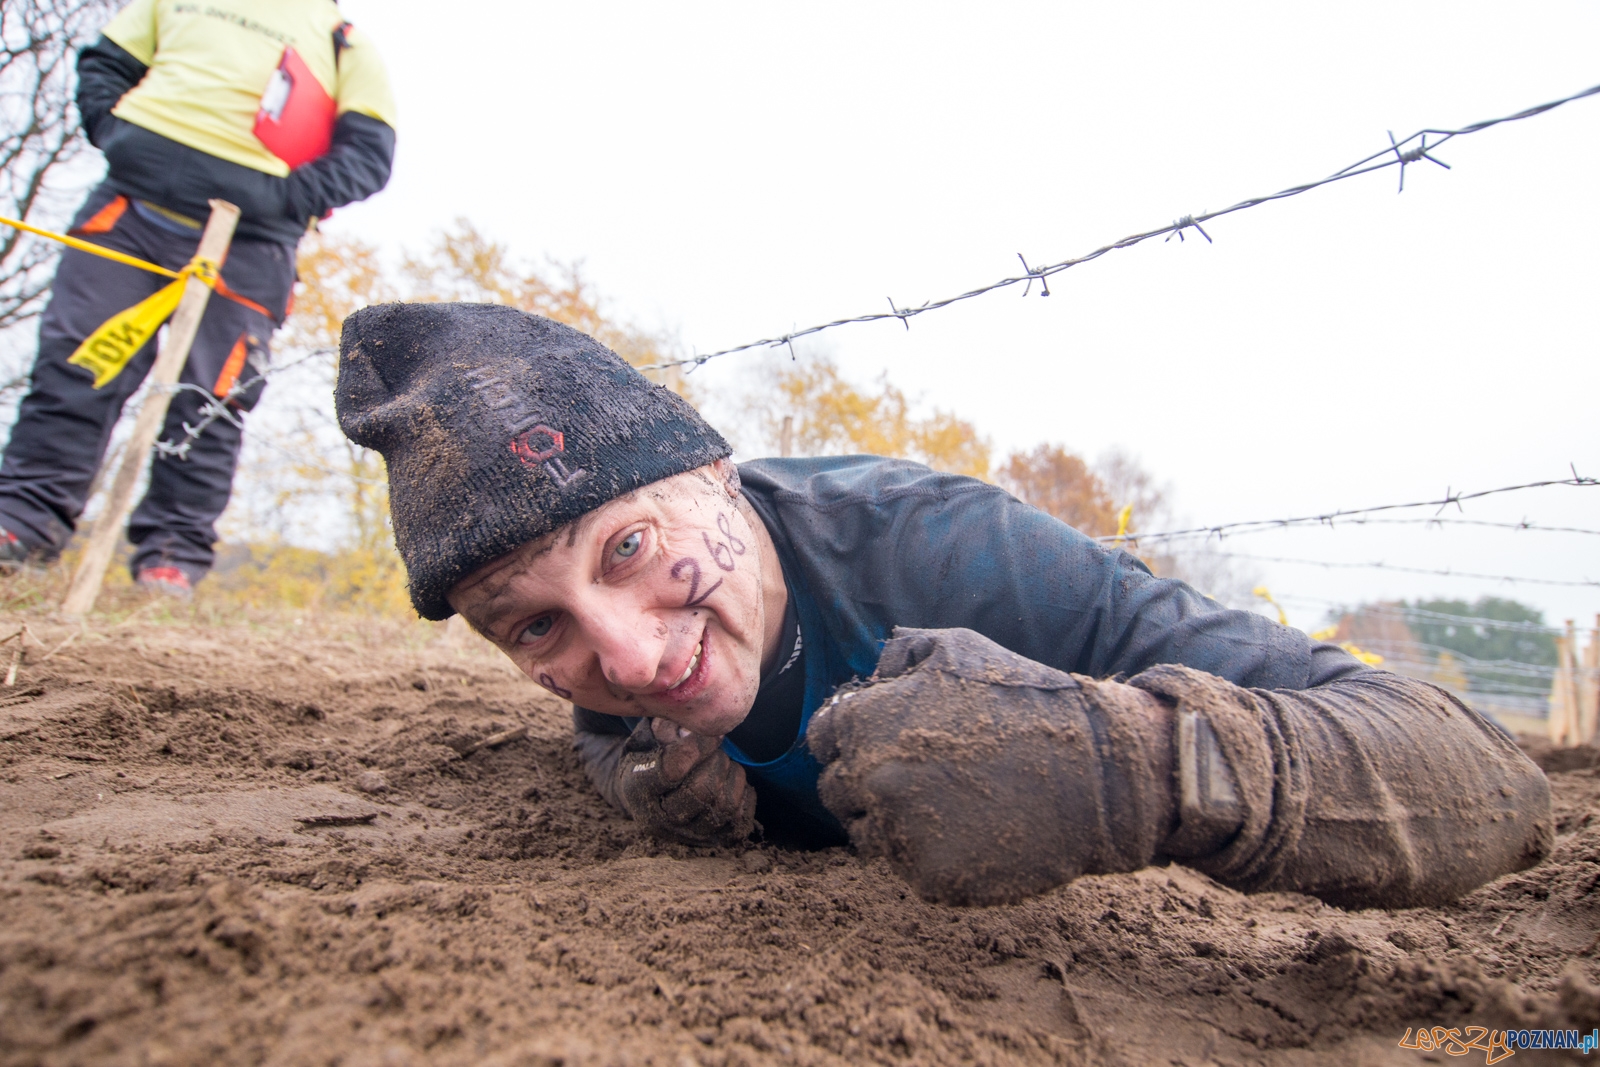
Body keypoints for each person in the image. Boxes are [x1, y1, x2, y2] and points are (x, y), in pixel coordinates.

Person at [335, 302, 1552, 909]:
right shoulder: (608, 682)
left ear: (717, 468)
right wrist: (635, 778)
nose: (636, 657)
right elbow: (603, 717)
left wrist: (1138, 769)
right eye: (534, 626)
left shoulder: (955, 553)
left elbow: (1487, 777)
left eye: (630, 547)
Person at [0, 0, 396, 595]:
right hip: (127, 212)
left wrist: (283, 197)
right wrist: (121, 137)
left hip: (250, 246)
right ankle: (19, 526)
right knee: (75, 367)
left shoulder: (344, 42)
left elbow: (370, 154)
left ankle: (170, 558)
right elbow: (104, 64)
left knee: (212, 401)